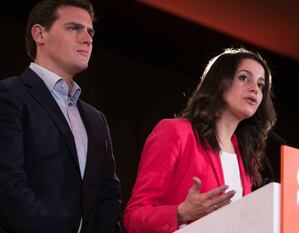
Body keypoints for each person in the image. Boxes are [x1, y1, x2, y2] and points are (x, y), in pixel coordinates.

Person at [123, 48, 277, 233]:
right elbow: (134, 216)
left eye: (261, 85)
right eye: (244, 78)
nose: (254, 89)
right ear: (219, 82)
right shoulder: (176, 132)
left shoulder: (244, 155)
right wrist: (180, 213)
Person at [0, 0, 121, 232]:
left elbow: (109, 196)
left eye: (90, 31)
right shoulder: (9, 96)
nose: (87, 39)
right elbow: (7, 188)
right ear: (39, 34)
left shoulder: (97, 120)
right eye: (74, 28)